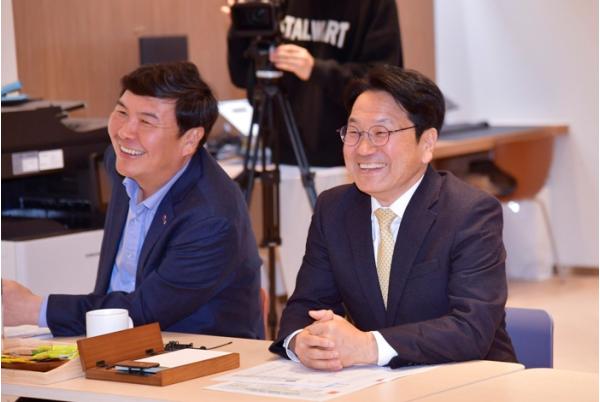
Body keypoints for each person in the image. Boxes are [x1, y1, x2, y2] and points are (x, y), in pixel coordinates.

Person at [269, 65, 517, 370]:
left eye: (381, 133)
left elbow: (471, 329)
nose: (363, 149)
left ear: (427, 144)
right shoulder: (333, 209)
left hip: (472, 378)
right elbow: (307, 305)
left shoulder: (470, 212)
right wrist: (300, 342)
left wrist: (368, 346)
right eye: (354, 132)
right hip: (377, 382)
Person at [2, 61, 264, 339]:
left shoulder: (211, 217)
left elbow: (144, 311)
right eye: (122, 112)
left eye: (146, 122)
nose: (125, 132)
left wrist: (36, 310)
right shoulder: (123, 162)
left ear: (190, 140)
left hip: (196, 349)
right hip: (117, 342)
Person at [227, 0, 403, 167]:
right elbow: (243, 77)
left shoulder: (373, 4)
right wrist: (239, 27)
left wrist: (315, 69)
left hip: (349, 155)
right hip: (281, 152)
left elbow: (382, 81)